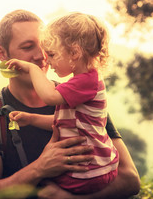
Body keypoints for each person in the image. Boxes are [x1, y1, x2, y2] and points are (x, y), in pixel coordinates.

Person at [0, 9, 140, 199]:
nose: (41, 56)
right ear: (3, 54)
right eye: (28, 47)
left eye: (45, 46)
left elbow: (130, 180)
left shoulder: (81, 99)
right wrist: (39, 168)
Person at [6, 12, 118, 194]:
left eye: (51, 54)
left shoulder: (87, 81)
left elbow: (50, 97)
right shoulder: (81, 84)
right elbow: (67, 122)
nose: (46, 60)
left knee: (40, 188)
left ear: (74, 53)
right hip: (98, 168)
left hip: (90, 172)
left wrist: (33, 69)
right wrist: (32, 118)